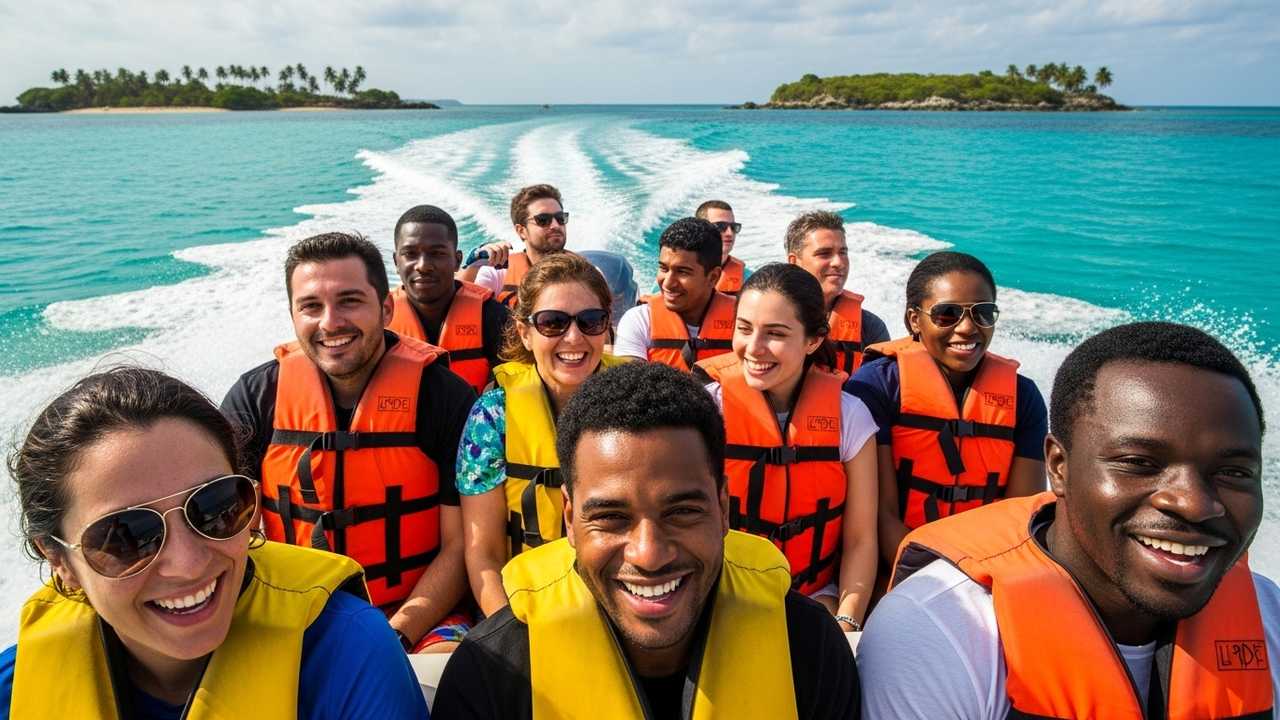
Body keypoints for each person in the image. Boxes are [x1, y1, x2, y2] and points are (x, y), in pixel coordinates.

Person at [858, 321, 1278, 718]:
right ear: (1058, 467)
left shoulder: (1269, 617)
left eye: (1233, 472)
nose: (1194, 504)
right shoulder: (939, 632)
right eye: (1139, 463)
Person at [433, 362, 860, 719]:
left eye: (681, 512)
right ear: (569, 518)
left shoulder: (808, 648)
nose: (649, 554)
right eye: (611, 518)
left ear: (724, 508)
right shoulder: (492, 673)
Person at [1, 367, 427, 718]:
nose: (187, 564)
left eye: (215, 507)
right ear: (59, 561)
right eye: (126, 538)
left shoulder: (346, 653)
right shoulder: (16, 689)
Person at [221, 232, 475, 653]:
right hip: (290, 615)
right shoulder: (255, 398)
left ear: (386, 307)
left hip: (420, 617)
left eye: (350, 301)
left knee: (441, 679)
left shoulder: (444, 397)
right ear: (292, 314)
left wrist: (394, 635)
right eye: (311, 307)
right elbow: (231, 538)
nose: (330, 322)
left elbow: (459, 546)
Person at [694, 264, 879, 630]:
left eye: (775, 333)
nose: (754, 348)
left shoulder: (851, 417)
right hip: (721, 598)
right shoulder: (706, 410)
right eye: (744, 329)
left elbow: (860, 539)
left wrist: (846, 620)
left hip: (817, 599)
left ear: (813, 340)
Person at [845, 251, 1047, 567]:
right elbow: (879, 516)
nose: (967, 328)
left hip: (989, 568)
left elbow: (1021, 517)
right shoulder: (877, 386)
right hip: (897, 566)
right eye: (947, 314)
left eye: (983, 313)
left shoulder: (1025, 398)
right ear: (914, 320)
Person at [455, 252, 624, 617]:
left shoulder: (639, 402)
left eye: (591, 321)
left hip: (623, 604)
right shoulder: (492, 418)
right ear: (525, 333)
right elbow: (483, 554)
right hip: (525, 607)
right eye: (552, 323)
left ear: (607, 325)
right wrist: (512, 634)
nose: (574, 337)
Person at [387, 204, 512, 394]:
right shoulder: (378, 321)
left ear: (457, 260)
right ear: (396, 262)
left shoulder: (493, 317)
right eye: (410, 254)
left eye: (437, 253)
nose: (423, 266)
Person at [613, 217, 736, 371]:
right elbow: (628, 389)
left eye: (682, 272)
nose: (668, 283)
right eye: (664, 268)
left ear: (713, 277)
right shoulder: (639, 321)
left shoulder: (743, 324)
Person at [785, 210, 890, 375]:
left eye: (843, 253)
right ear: (794, 262)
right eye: (824, 254)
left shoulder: (870, 328)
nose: (839, 262)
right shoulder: (763, 318)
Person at [456, 184, 568, 308]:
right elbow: (455, 305)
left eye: (560, 218)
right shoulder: (497, 276)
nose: (555, 225)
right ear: (521, 230)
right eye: (543, 220)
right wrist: (474, 265)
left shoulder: (586, 273)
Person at [696, 199, 748, 296]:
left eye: (733, 227)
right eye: (720, 226)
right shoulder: (679, 273)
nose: (730, 233)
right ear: (700, 230)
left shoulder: (748, 279)